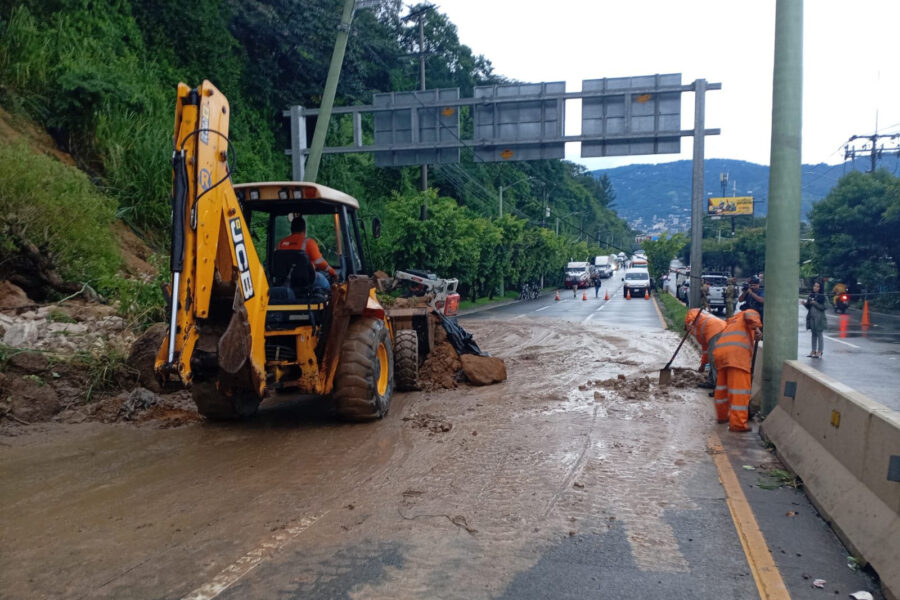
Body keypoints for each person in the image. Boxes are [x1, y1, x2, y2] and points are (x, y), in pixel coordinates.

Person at [712, 308, 763, 432]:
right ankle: (738, 424)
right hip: (737, 356)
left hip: (721, 353)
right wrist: (757, 328)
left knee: (722, 389)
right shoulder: (750, 312)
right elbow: (750, 315)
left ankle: (722, 417)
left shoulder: (734, 321)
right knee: (739, 391)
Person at [277, 216, 337, 292]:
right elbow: (320, 263)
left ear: (291, 229)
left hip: (285, 281)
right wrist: (333, 272)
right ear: (304, 230)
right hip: (305, 281)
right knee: (327, 286)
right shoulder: (308, 243)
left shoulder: (281, 243)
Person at [685, 308, 726, 394]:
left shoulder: (691, 316)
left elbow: (693, 312)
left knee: (714, 360)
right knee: (712, 358)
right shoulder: (700, 334)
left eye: (687, 328)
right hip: (719, 329)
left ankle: (719, 389)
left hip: (716, 330)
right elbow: (705, 351)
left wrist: (689, 322)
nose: (689, 331)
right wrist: (703, 365)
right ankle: (711, 382)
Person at [804, 280, 827, 358]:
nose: (815, 288)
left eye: (817, 286)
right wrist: (805, 304)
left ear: (820, 288)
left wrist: (815, 303)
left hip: (819, 318)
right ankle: (813, 350)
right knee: (813, 334)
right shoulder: (811, 295)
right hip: (811, 318)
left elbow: (824, 307)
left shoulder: (823, 296)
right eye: (814, 286)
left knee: (819, 334)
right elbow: (809, 307)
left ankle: (820, 351)